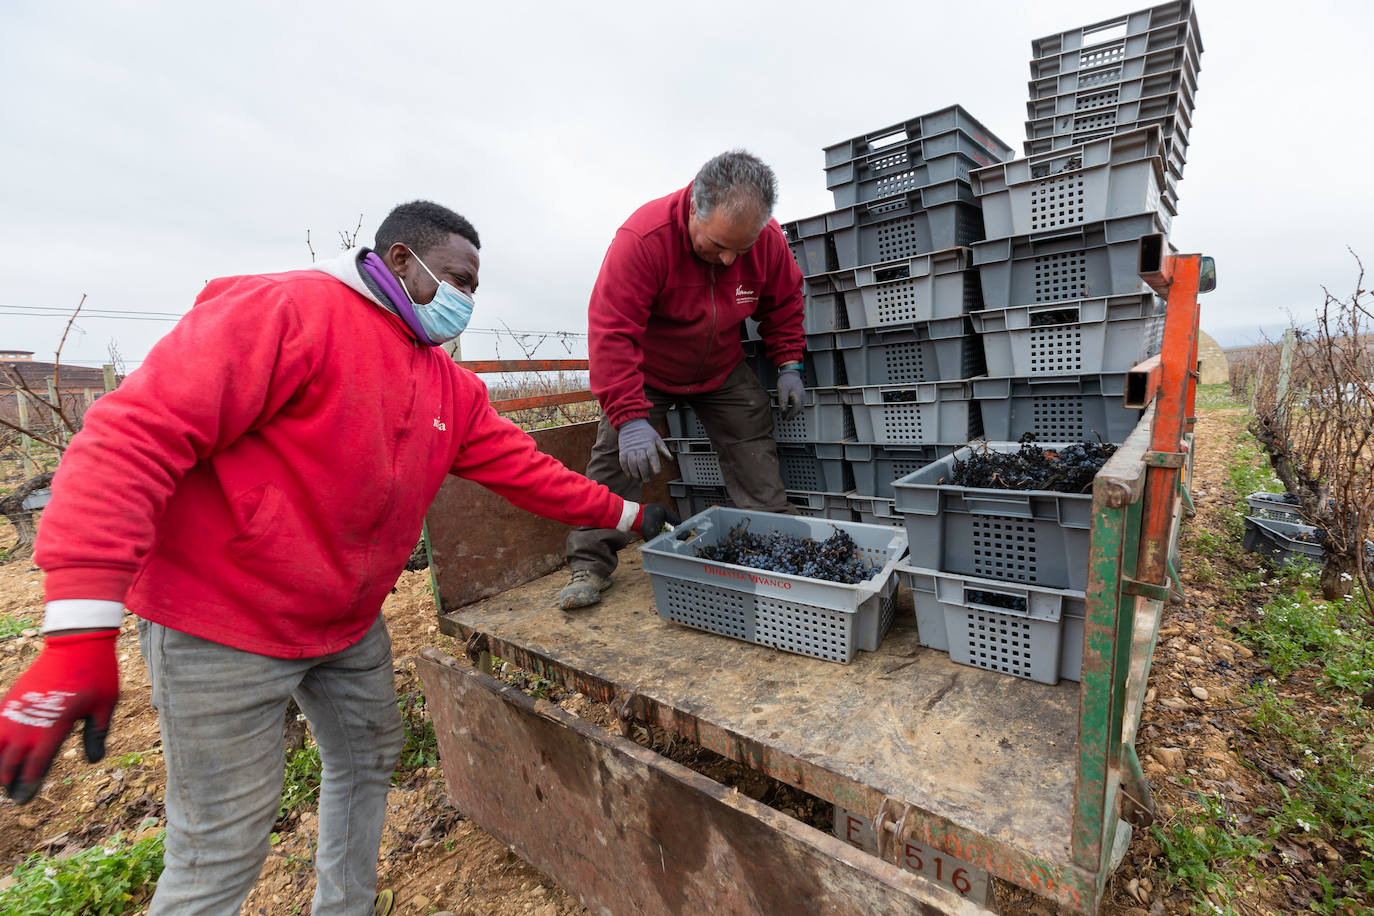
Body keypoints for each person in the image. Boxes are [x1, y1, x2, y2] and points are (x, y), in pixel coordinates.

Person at [0, 200, 675, 916]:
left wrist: (630, 515)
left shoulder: (446, 385)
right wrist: (78, 632)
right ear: (403, 263)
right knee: (221, 847)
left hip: (345, 627)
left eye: (475, 287)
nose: (466, 300)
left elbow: (526, 470)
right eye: (457, 279)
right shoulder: (288, 313)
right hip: (220, 624)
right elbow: (132, 439)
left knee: (367, 759)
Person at [559, 149, 806, 610]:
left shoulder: (766, 241)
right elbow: (611, 333)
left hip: (720, 367)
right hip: (647, 371)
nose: (731, 259)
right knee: (615, 459)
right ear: (694, 207)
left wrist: (790, 363)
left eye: (742, 249)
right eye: (717, 246)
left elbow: (785, 300)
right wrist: (630, 416)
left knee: (754, 445)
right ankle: (589, 564)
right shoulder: (643, 239)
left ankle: (773, 542)